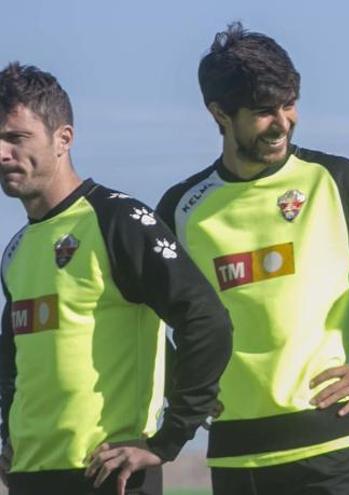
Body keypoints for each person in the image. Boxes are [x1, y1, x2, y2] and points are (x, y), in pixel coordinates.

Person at [155, 22, 349, 495]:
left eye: (289, 104)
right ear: (219, 113)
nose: (283, 122)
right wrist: (183, 384)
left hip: (334, 448)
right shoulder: (181, 208)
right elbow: (136, 312)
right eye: (263, 112)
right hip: (238, 456)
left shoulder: (334, 181)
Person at [0, 62, 233, 495]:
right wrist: (8, 440)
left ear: (63, 139)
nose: (2, 152)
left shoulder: (118, 220)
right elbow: (14, 361)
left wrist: (168, 440)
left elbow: (206, 319)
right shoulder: (15, 250)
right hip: (30, 478)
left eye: (16, 137)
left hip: (110, 478)